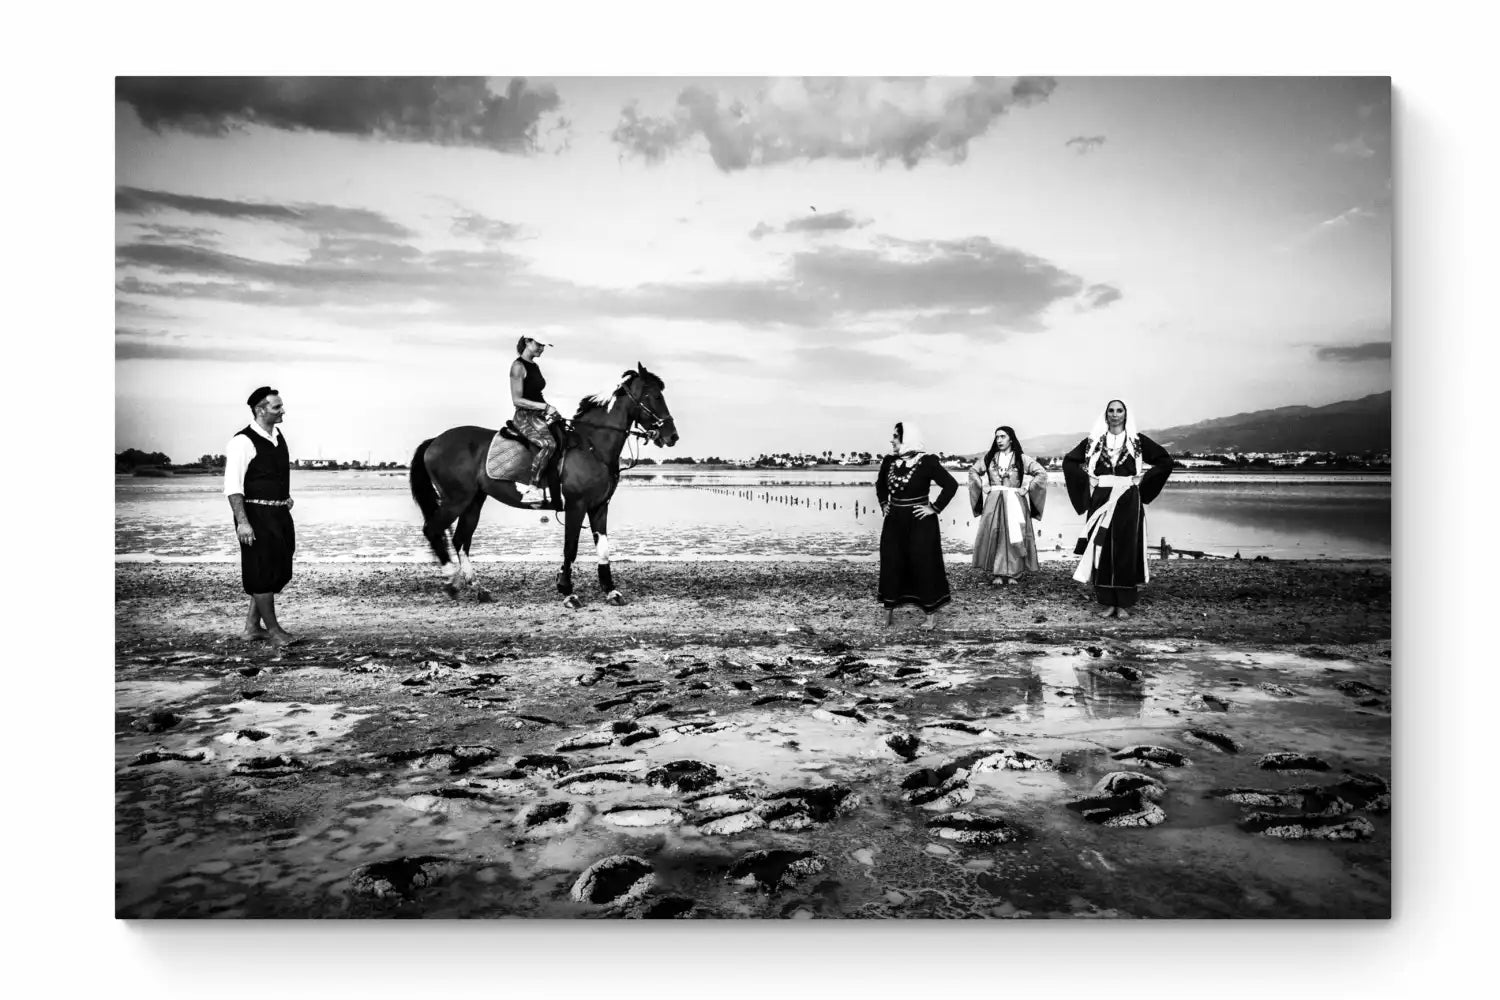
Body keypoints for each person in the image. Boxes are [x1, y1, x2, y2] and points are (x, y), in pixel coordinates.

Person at [1061, 399, 1173, 618]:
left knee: (1125, 548)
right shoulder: (1094, 442)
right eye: (1111, 411)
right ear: (1106, 414)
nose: (1115, 414)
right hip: (1102, 498)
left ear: (1125, 414)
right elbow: (1069, 462)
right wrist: (1088, 481)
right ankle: (1107, 602)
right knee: (1100, 547)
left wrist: (1143, 481)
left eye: (1119, 410)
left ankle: (1123, 603)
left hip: (1128, 498)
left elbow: (1165, 461)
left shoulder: (1137, 442)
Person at [224, 386, 297, 646]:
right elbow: (233, 487)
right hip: (255, 515)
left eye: (281, 405)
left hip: (279, 512)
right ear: (260, 410)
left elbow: (272, 475)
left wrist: (283, 497)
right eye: (277, 407)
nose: (282, 410)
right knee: (261, 570)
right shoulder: (242, 441)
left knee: (280, 567)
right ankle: (275, 631)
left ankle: (252, 627)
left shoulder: (278, 436)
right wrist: (242, 522)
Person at [876, 421, 958, 630]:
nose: (891, 440)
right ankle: (888, 614)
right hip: (894, 522)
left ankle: (930, 616)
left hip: (921, 522)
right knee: (891, 563)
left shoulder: (927, 462)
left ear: (907, 438)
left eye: (896, 436)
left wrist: (935, 508)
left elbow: (951, 485)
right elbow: (880, 485)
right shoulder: (889, 461)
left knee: (924, 565)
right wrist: (884, 503)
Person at [967, 425, 1048, 585]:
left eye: (1002, 436)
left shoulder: (1021, 458)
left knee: (1014, 534)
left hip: (1014, 500)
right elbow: (973, 471)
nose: (999, 440)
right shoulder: (989, 458)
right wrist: (983, 485)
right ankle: (997, 572)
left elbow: (1041, 473)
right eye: (997, 437)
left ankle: (1013, 573)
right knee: (994, 533)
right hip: (994, 500)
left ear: (1011, 438)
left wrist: (1027, 488)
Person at [510, 336, 561, 507]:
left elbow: (535, 393)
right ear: (527, 342)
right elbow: (517, 400)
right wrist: (545, 407)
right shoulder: (518, 366)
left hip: (538, 415)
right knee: (548, 444)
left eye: (544, 346)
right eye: (539, 344)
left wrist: (551, 412)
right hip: (524, 416)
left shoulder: (534, 365)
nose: (542, 349)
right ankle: (532, 487)